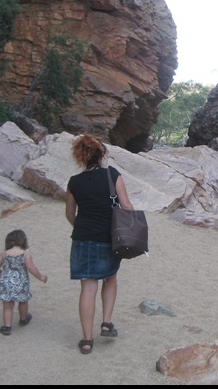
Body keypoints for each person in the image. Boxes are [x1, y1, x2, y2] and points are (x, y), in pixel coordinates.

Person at [65, 134, 134, 354]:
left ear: (80, 157)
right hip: (108, 237)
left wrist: (83, 227)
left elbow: (69, 214)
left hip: (82, 239)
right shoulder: (112, 175)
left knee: (88, 287)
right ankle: (106, 322)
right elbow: (127, 206)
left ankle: (86, 340)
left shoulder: (74, 182)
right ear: (102, 153)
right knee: (110, 277)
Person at [0, 229, 48, 336]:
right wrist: (41, 276)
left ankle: (7, 326)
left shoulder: (3, 254)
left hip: (6, 282)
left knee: (7, 305)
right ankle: (23, 318)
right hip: (21, 282)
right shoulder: (25, 254)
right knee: (23, 301)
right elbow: (31, 267)